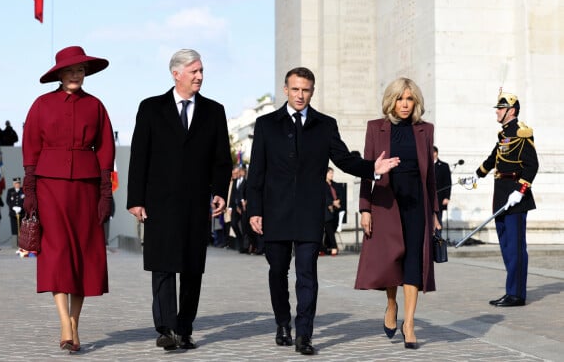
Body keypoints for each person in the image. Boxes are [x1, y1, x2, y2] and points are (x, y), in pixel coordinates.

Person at [246, 67, 400, 355]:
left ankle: (305, 334)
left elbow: (343, 159)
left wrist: (372, 169)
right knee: (278, 271)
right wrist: (255, 210)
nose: (300, 95)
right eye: (295, 89)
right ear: (285, 90)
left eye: (305, 90)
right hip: (275, 212)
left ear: (312, 91)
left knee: (307, 275)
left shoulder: (325, 125)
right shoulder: (266, 124)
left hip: (309, 213)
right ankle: (282, 323)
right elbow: (257, 172)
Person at [127, 49, 231, 351]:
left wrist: (220, 192)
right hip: (159, 202)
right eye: (194, 71)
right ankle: (166, 328)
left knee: (191, 267)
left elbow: (221, 160)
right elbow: (139, 156)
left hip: (197, 203)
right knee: (163, 266)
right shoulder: (151, 108)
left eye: (201, 71)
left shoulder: (214, 111)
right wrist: (136, 199)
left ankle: (185, 328)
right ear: (176, 73)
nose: (200, 76)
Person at [22, 45, 114, 353]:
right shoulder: (41, 105)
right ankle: (64, 322)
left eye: (80, 70)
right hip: (50, 187)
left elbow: (105, 150)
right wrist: (31, 192)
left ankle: (75, 322)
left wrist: (105, 194)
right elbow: (31, 147)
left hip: (86, 188)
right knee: (57, 252)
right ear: (60, 74)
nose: (76, 75)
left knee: (84, 253)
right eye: (71, 70)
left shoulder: (96, 106)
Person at [354, 77, 441, 350]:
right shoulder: (375, 128)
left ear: (415, 102)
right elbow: (367, 172)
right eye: (400, 98)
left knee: (414, 260)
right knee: (393, 259)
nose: (404, 104)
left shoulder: (425, 130)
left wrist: (435, 211)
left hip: (417, 204)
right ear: (391, 101)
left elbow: (431, 178)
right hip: (386, 204)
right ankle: (391, 305)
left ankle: (410, 323)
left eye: (409, 99)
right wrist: (365, 208)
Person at [466, 91, 538, 307]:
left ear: (511, 111)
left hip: (516, 197)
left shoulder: (522, 133)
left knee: (515, 247)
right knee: (506, 245)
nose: (496, 112)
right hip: (501, 195)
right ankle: (511, 290)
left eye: (500, 108)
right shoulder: (504, 135)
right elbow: (493, 157)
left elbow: (532, 165)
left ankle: (516, 294)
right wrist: (476, 174)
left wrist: (520, 190)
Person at [322, 167, 341, 256]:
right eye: (330, 173)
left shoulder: (334, 184)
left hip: (335, 211)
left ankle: (324, 248)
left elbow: (339, 194)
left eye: (332, 173)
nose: (331, 175)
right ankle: (334, 247)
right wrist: (332, 202)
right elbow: (324, 197)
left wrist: (337, 201)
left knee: (330, 230)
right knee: (329, 230)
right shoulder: (323, 185)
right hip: (326, 211)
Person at [433, 146, 452, 229]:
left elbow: (448, 182)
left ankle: (438, 240)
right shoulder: (425, 165)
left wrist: (447, 197)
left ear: (436, 153)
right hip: (428, 198)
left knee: (438, 219)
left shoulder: (444, 166)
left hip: (439, 197)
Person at [6, 177, 25, 248]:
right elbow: (8, 201)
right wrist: (13, 207)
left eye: (19, 183)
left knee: (22, 229)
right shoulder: (10, 191)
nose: (17, 184)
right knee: (14, 228)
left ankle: (22, 244)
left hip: (22, 213)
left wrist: (21, 207)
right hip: (13, 214)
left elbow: (25, 200)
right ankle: (14, 245)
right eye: (16, 183)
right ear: (14, 184)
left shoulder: (23, 190)